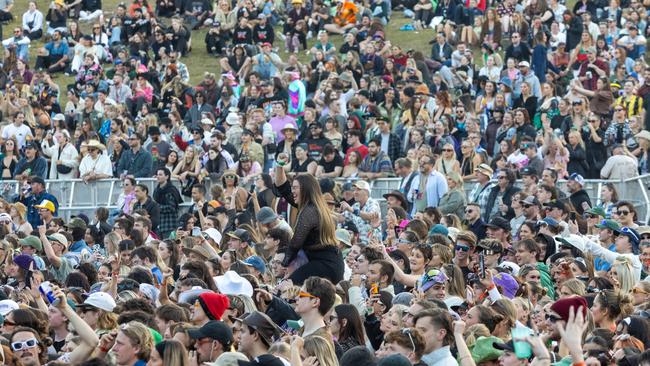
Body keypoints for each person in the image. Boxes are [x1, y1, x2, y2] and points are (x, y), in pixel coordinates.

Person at [273, 152, 344, 285]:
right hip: (324, 261)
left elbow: (295, 243)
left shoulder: (310, 211)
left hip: (326, 265)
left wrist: (284, 264)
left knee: (288, 286)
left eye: (295, 188)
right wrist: (280, 165)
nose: (292, 191)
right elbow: (282, 187)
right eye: (292, 187)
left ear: (305, 189)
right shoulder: (308, 204)